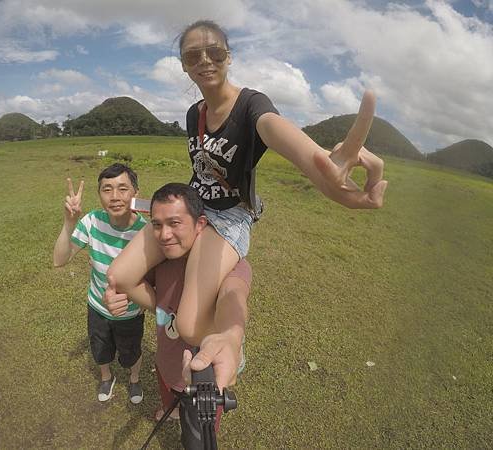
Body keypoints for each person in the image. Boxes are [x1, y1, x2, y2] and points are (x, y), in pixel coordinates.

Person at [108, 19, 388, 349]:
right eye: (193, 55)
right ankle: (167, 311)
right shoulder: (193, 113)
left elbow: (276, 130)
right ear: (184, 66)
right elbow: (202, 171)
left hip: (228, 216)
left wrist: (324, 162)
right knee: (120, 276)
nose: (205, 61)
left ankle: (223, 349)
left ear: (229, 57)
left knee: (189, 327)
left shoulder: (252, 105)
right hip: (192, 205)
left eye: (214, 52)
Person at [104, 183, 249, 449]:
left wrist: (231, 335)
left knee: (196, 440)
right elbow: (132, 284)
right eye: (156, 225)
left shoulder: (227, 264)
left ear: (200, 224)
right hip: (166, 360)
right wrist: (118, 296)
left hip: (201, 378)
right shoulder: (160, 262)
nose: (164, 234)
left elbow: (234, 296)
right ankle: (172, 410)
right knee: (169, 392)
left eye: (174, 223)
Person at [53, 163, 147, 404]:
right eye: (107, 189)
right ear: (99, 195)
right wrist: (69, 223)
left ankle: (134, 379)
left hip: (131, 313)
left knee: (131, 352)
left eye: (122, 188)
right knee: (101, 350)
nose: (114, 197)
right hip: (97, 307)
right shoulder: (92, 221)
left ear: (135, 193)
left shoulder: (147, 233)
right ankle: (107, 378)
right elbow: (59, 260)